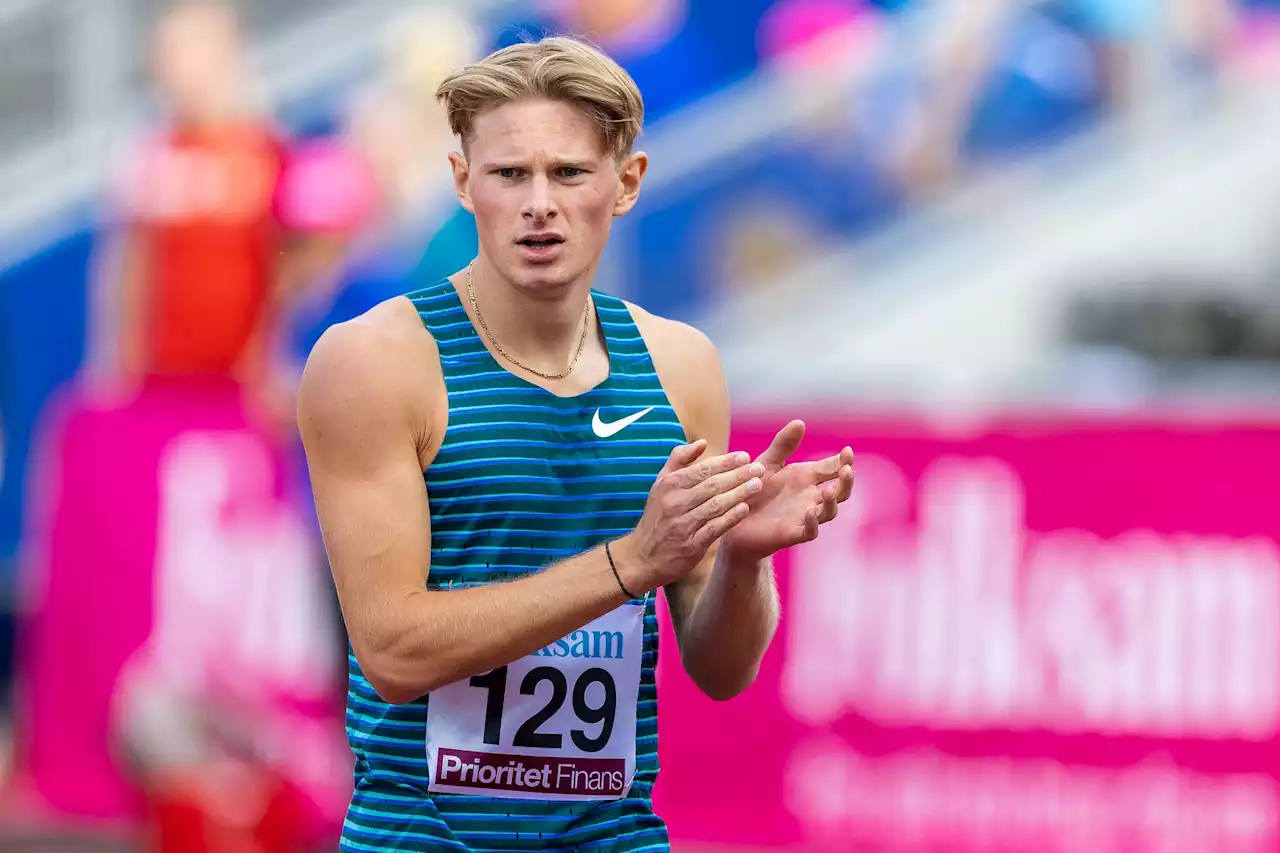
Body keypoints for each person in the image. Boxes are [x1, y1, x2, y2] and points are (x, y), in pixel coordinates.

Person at [297, 36, 855, 852]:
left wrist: (741, 561)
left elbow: (722, 670)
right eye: (508, 174)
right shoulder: (374, 362)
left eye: (568, 173)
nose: (538, 203)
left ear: (625, 184)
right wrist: (630, 562)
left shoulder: (681, 366)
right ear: (463, 183)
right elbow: (392, 649)